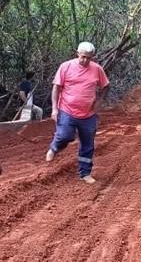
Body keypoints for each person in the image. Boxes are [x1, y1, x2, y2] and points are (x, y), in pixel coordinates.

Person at [45, 42, 110, 185]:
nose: (85, 60)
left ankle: (85, 173)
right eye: (83, 57)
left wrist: (99, 102)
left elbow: (106, 86)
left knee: (88, 144)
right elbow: (56, 88)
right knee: (65, 136)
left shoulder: (97, 69)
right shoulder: (66, 66)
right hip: (67, 110)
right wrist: (55, 109)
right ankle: (54, 148)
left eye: (89, 58)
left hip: (88, 114)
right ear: (77, 54)